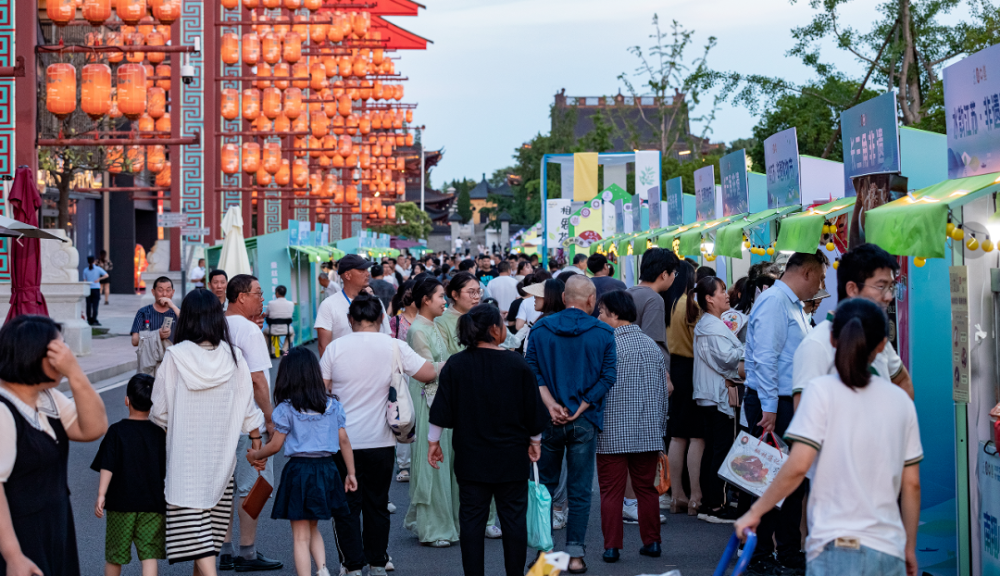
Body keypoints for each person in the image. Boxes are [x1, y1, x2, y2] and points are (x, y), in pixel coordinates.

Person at [734, 298, 922, 576]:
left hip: (836, 544)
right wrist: (908, 547)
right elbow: (912, 484)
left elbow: (798, 466)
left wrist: (755, 511)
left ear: (833, 341)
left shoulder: (820, 392)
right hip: (888, 546)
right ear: (883, 346)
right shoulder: (901, 401)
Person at [149, 289, 264, 574]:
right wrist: (257, 443)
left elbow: (159, 412)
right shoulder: (235, 357)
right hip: (221, 463)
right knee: (208, 541)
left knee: (196, 540)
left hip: (184, 465)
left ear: (186, 318)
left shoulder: (175, 357)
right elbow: (249, 411)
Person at [428, 304, 548, 576]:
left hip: (471, 456)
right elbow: (533, 410)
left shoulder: (456, 364)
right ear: (495, 329)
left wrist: (433, 443)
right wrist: (536, 441)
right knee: (513, 519)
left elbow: (441, 410)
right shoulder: (517, 363)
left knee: (471, 519)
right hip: (511, 456)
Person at [321, 293, 436, 575]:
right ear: (382, 318)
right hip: (382, 440)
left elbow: (321, 391)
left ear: (350, 320)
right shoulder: (394, 346)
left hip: (342, 441)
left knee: (346, 507)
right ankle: (376, 561)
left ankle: (351, 565)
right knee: (377, 504)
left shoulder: (334, 349)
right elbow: (427, 373)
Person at [0, 315, 108, 576]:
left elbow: (93, 428)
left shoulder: (48, 398)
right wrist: (13, 555)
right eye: (58, 350)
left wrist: (76, 374)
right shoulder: (3, 410)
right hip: (18, 534)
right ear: (35, 356)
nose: (65, 358)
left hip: (54, 523)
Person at [741, 250, 827, 575]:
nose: (819, 287)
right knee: (768, 480)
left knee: (795, 480)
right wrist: (769, 408)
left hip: (790, 403)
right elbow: (764, 358)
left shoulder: (792, 305)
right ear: (805, 273)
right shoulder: (776, 302)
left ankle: (788, 549)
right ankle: (758, 553)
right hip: (775, 404)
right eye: (818, 279)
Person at [246, 347, 364, 576]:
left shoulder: (286, 409)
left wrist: (255, 455)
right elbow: (344, 441)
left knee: (300, 535)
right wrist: (351, 473)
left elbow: (276, 445)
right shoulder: (332, 406)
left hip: (299, 471)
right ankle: (322, 569)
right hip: (327, 469)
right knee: (313, 527)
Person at [527, 275, 616, 573]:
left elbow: (532, 370)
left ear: (564, 297)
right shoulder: (603, 332)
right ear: (592, 301)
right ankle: (575, 555)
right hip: (585, 419)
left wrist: (551, 404)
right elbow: (608, 376)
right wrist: (581, 407)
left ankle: (544, 557)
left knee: (544, 489)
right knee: (579, 490)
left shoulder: (540, 328)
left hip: (548, 419)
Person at [793, 243, 914, 407]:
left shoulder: (877, 338)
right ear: (852, 289)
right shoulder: (816, 345)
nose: (888, 297)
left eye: (891, 287)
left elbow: (902, 381)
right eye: (881, 286)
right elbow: (806, 415)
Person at [594, 291, 666, 563]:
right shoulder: (651, 346)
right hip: (648, 431)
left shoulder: (607, 345)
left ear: (613, 314)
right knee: (647, 488)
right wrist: (660, 427)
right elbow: (663, 390)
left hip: (611, 430)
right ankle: (653, 542)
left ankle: (612, 547)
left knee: (611, 491)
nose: (599, 316)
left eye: (601, 311)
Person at [221, 274, 282, 572]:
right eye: (257, 293)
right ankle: (247, 552)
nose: (262, 297)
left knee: (223, 487)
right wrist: (271, 418)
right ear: (241, 297)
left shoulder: (215, 323)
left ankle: (224, 549)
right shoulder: (248, 329)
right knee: (253, 485)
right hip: (249, 423)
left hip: (219, 419)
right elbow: (258, 379)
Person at [404, 277, 463, 547]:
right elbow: (426, 370)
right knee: (434, 467)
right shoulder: (417, 329)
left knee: (444, 464)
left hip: (442, 397)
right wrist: (454, 362)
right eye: (441, 296)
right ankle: (435, 527)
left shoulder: (434, 325)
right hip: (428, 400)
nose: (445, 301)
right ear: (426, 299)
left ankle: (444, 522)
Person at [92, 373, 166, 576]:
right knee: (149, 555)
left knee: (115, 555)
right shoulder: (159, 433)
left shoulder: (116, 431)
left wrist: (101, 494)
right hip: (153, 504)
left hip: (120, 505)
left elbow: (108, 465)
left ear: (127, 401)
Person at [691, 276, 744, 524]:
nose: (726, 294)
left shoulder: (709, 324)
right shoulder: (712, 326)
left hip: (708, 395)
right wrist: (747, 349)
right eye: (722, 291)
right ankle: (716, 504)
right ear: (709, 298)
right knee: (719, 450)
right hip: (716, 396)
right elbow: (726, 359)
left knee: (713, 449)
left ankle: (709, 502)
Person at [666, 260, 705, 516]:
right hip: (694, 369)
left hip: (674, 367)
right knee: (697, 436)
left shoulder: (667, 303)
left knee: (677, 435)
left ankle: (676, 494)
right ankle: (695, 496)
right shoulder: (692, 303)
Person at [315, 255, 391, 357]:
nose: (368, 273)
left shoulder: (375, 301)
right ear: (347, 275)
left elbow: (387, 335)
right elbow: (323, 347)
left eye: (367, 270)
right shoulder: (328, 305)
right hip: (343, 370)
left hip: (374, 367)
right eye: (362, 270)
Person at [131, 277, 180, 376]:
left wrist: (173, 306)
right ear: (153, 292)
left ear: (173, 292)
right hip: (150, 366)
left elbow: (191, 325)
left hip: (173, 364)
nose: (164, 294)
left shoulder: (177, 312)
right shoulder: (143, 312)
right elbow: (135, 341)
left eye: (168, 290)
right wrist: (157, 334)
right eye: (160, 290)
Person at [263, 285, 295, 354]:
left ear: (276, 293)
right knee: (292, 333)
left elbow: (267, 314)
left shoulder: (271, 303)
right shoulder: (291, 304)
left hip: (272, 329)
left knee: (265, 333)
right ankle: (284, 349)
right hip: (286, 329)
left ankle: (271, 351)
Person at [83, 256, 110, 326]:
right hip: (96, 289)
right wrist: (99, 279)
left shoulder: (85, 270)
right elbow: (106, 275)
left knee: (88, 305)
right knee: (95, 305)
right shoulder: (98, 269)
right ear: (94, 261)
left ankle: (89, 320)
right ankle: (94, 320)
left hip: (88, 289)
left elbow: (85, 281)